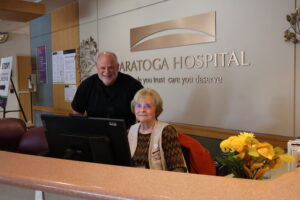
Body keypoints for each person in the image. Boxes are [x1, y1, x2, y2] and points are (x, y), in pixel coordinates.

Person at [71, 51, 143, 128]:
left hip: (126, 136)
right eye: (102, 68)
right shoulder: (86, 85)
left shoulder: (133, 85)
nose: (106, 71)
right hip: (94, 136)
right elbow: (77, 114)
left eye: (110, 67)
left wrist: (136, 133)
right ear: (97, 68)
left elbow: (144, 112)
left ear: (117, 67)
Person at [128, 88, 187, 172]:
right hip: (132, 179)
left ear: (156, 110)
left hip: (158, 181)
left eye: (147, 106)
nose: (142, 110)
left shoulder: (167, 131)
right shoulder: (130, 131)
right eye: (138, 106)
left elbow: (178, 168)